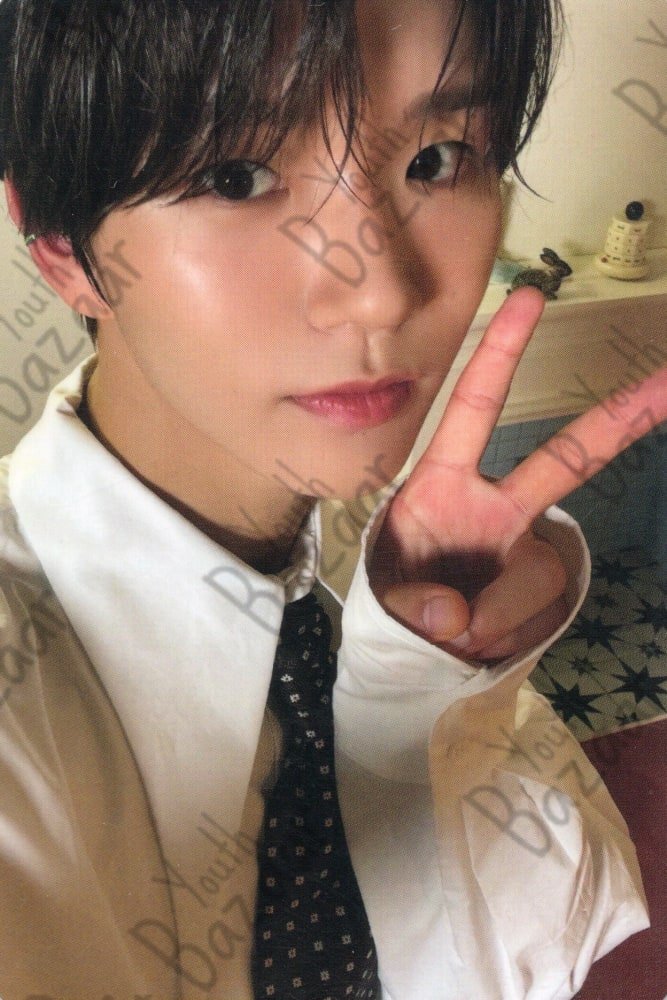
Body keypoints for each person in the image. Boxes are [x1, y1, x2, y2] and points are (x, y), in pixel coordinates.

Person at [0, 0, 664, 997]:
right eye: (235, 176)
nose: (380, 290)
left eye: (436, 160)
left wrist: (431, 703)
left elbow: (544, 938)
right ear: (63, 249)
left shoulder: (367, 573)